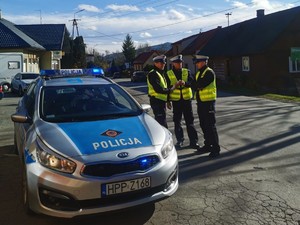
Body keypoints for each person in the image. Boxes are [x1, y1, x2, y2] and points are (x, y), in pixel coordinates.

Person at [166, 54, 199, 149]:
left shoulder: (186, 71)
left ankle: (193, 141)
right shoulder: (169, 74)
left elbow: (192, 83)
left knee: (190, 121)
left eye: (180, 62)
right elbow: (167, 88)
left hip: (186, 100)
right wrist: (168, 100)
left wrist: (185, 83)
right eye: (177, 63)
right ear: (173, 63)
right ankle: (180, 140)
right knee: (177, 121)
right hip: (176, 101)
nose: (179, 64)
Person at [192, 54, 220, 158]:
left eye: (198, 62)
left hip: (208, 103)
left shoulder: (209, 72)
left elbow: (199, 85)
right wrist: (196, 85)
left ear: (203, 62)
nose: (197, 64)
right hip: (201, 103)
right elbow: (194, 85)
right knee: (203, 125)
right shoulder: (199, 72)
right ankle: (208, 145)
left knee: (211, 126)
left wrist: (197, 85)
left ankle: (216, 149)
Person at [147, 55, 177, 128]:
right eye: (160, 63)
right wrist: (172, 89)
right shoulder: (153, 73)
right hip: (156, 101)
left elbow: (163, 88)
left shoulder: (160, 73)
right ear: (155, 63)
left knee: (162, 121)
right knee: (161, 123)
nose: (162, 64)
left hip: (161, 101)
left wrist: (167, 100)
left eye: (163, 63)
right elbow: (159, 89)